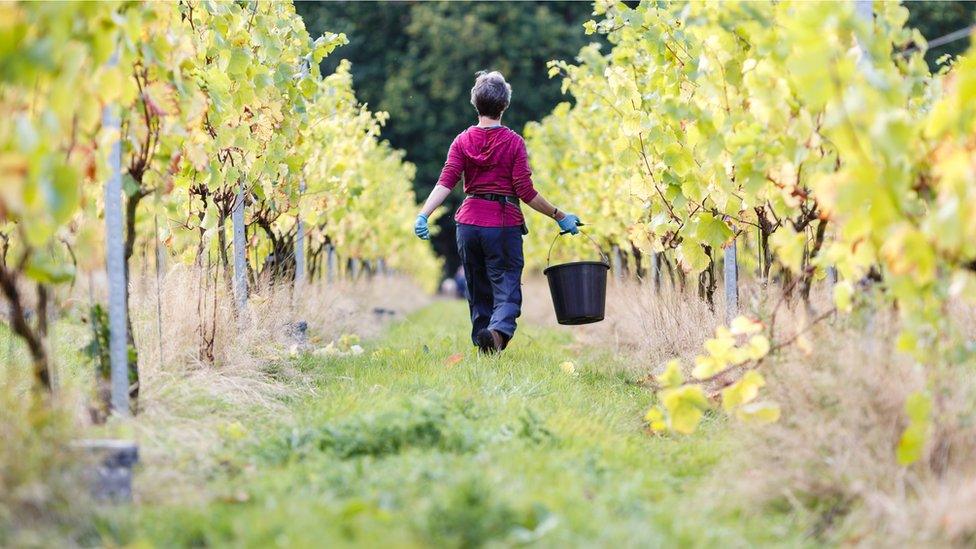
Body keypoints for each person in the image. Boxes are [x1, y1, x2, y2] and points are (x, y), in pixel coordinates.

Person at [414, 70, 581, 354]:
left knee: (477, 289)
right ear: (504, 105)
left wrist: (423, 214)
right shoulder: (513, 142)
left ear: (475, 104)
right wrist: (559, 215)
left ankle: (485, 341)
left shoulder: (462, 140)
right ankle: (497, 334)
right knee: (506, 289)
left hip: (467, 225)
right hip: (501, 223)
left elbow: (446, 181)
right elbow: (525, 192)